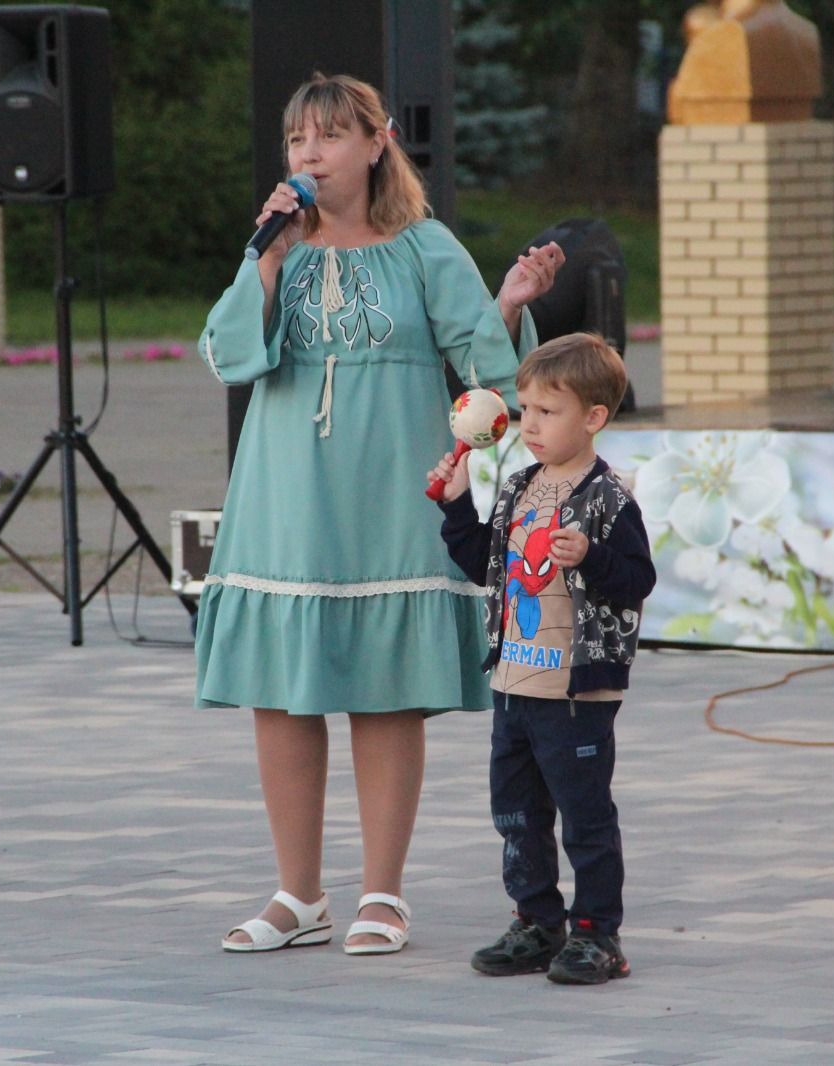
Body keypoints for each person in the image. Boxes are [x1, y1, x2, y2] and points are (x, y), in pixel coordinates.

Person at [196, 73, 564, 956]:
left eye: (327, 136)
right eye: (296, 141)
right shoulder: (275, 249)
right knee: (282, 693)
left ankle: (382, 894)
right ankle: (297, 894)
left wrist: (507, 306)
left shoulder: (423, 246)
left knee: (385, 692)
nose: (309, 154)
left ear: (376, 142)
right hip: (285, 493)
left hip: (393, 490)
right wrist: (269, 257)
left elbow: (488, 373)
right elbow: (225, 354)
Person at [426, 332, 656, 985]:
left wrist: (592, 557)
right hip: (514, 684)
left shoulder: (609, 497)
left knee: (585, 818)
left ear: (593, 419)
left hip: (576, 693)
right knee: (516, 813)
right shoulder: (519, 487)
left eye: (547, 412)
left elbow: (637, 579)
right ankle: (536, 920)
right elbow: (485, 567)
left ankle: (596, 934)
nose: (529, 425)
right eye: (524, 410)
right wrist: (455, 508)